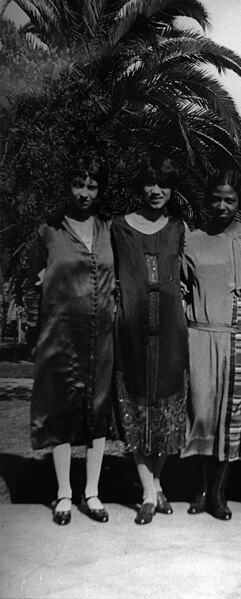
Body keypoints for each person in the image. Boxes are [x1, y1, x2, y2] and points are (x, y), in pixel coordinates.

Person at [25, 156, 115, 525]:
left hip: (102, 336)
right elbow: (32, 282)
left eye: (92, 186)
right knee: (60, 408)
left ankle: (91, 492)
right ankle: (63, 493)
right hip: (59, 335)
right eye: (78, 185)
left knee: (97, 408)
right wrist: (33, 330)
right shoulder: (48, 230)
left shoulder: (110, 229)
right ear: (67, 186)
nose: (84, 193)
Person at [181, 170, 241, 520]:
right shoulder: (192, 239)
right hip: (199, 334)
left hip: (238, 335)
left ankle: (218, 493)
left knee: (232, 414)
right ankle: (199, 486)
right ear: (207, 198)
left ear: (240, 201)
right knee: (201, 412)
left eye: (230, 199)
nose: (223, 205)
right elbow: (182, 284)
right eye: (216, 198)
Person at [112, 155, 188, 525]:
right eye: (150, 183)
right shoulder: (119, 228)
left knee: (166, 414)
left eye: (164, 185)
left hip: (172, 334)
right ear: (140, 187)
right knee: (136, 412)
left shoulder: (178, 227)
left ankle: (156, 484)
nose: (156, 191)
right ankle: (148, 491)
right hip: (132, 333)